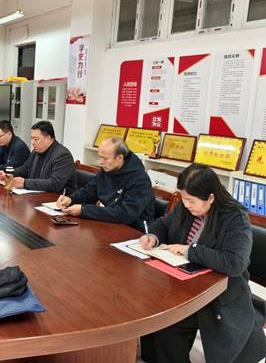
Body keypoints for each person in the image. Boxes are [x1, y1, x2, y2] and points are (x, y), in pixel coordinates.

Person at [139, 164, 266, 363]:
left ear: (211, 197)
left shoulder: (235, 218)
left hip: (219, 290)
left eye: (191, 200)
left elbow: (235, 263)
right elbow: (165, 223)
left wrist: (190, 251)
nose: (186, 205)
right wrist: (153, 236)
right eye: (183, 199)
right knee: (155, 310)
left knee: (171, 321)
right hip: (183, 281)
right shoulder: (186, 206)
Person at [56, 137, 154, 231]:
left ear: (119, 158)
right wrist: (71, 199)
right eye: (99, 157)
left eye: (105, 158)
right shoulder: (107, 170)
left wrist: (84, 210)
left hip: (134, 231)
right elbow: (89, 191)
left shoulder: (140, 180)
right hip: (111, 224)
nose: (101, 162)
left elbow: (125, 214)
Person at [0, 121, 75, 193]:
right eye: (32, 139)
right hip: (38, 195)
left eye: (36, 139)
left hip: (58, 199)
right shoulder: (36, 152)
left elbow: (55, 183)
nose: (32, 142)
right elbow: (24, 169)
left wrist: (25, 183)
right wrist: (8, 174)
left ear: (48, 138)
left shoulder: (62, 155)